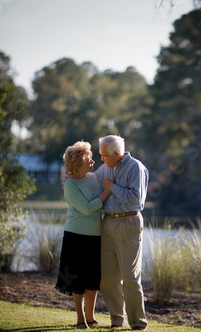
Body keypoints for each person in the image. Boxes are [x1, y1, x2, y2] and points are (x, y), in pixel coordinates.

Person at [55, 141, 112, 329]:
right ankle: (80, 319)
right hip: (75, 236)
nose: (93, 162)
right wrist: (105, 193)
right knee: (76, 281)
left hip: (95, 236)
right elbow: (87, 209)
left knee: (93, 279)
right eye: (89, 159)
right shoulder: (70, 184)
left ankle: (90, 317)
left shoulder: (93, 177)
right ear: (79, 164)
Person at [95, 135, 149, 331]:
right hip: (107, 223)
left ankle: (138, 323)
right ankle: (117, 320)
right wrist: (74, 178)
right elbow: (93, 182)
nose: (101, 159)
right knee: (108, 278)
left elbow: (136, 200)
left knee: (130, 277)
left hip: (129, 222)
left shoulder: (136, 168)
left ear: (116, 153)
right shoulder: (106, 167)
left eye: (104, 156)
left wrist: (112, 188)